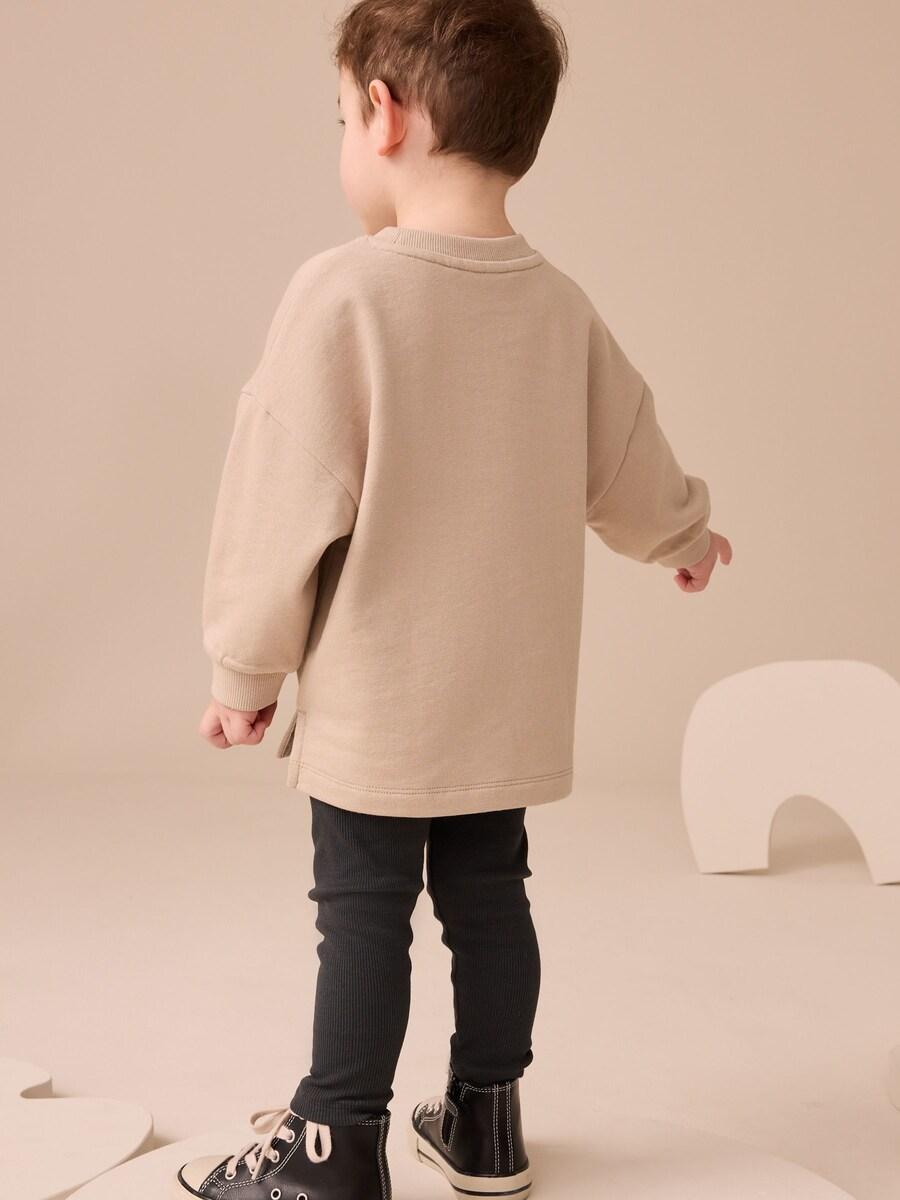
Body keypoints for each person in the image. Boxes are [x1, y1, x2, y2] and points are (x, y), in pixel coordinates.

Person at [178, 2, 732, 1197]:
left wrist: (243, 672)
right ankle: (487, 1118)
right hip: (506, 700)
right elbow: (628, 461)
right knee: (490, 900)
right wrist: (683, 535)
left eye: (340, 117)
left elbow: (281, 495)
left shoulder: (344, 294)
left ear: (385, 115)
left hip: (382, 708)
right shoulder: (559, 306)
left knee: (362, 914)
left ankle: (333, 1144)